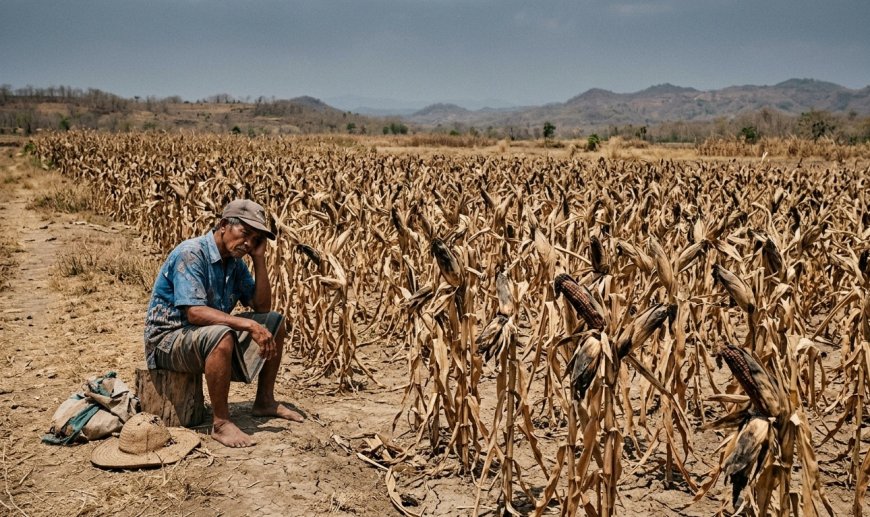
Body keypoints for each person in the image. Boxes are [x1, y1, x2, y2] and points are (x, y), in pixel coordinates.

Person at [144, 199, 303, 447]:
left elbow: (262, 307)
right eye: (245, 234)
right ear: (223, 225)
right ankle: (220, 423)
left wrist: (259, 259)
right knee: (222, 334)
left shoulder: (236, 263)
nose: (248, 243)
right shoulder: (192, 253)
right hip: (167, 341)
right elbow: (194, 313)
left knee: (274, 322)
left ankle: (264, 401)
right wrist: (248, 326)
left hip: (200, 337)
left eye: (256, 239)